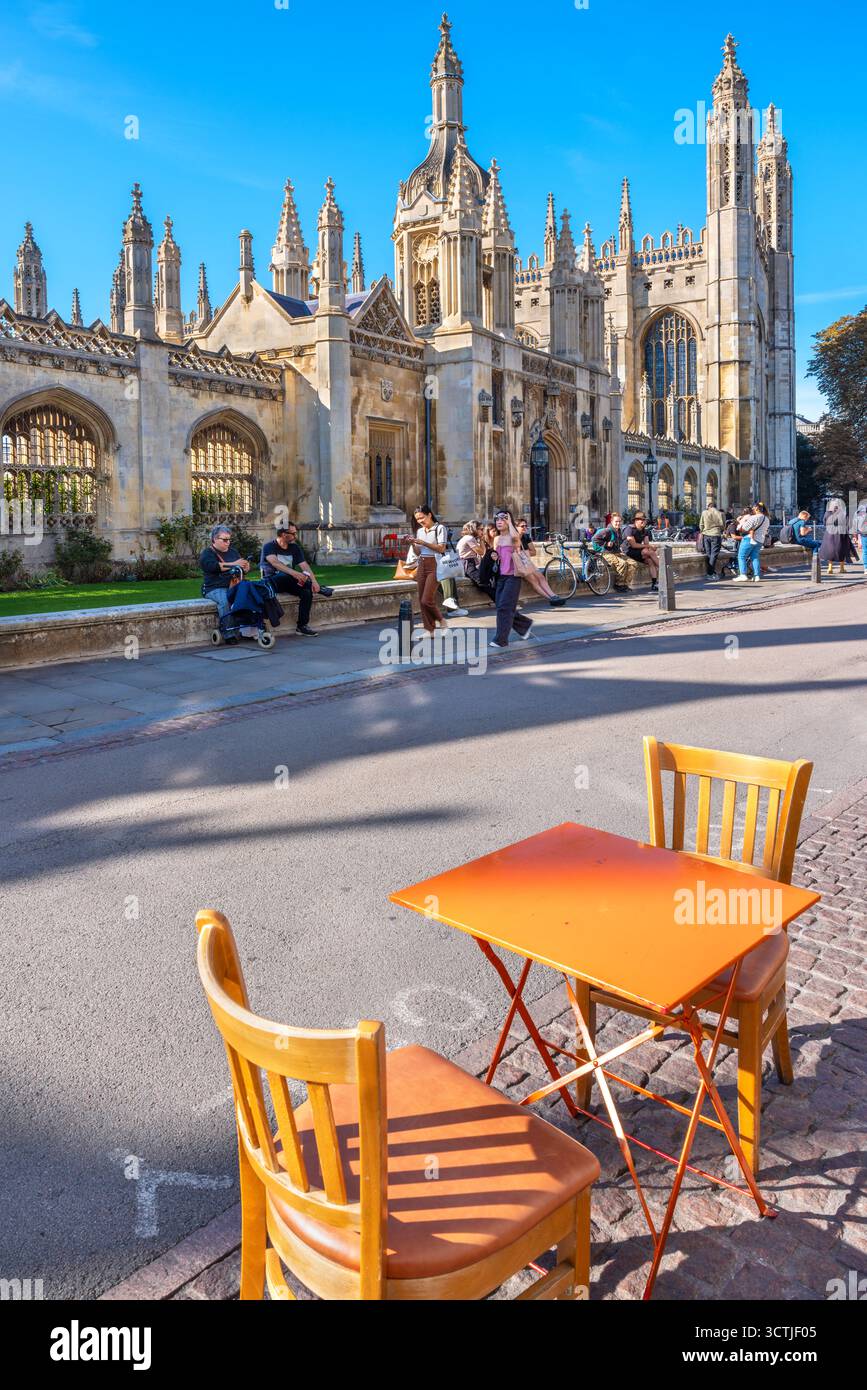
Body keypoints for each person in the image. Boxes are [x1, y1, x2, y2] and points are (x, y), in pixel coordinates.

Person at [260, 524, 333, 636]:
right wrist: (296, 574)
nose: (295, 536)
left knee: (306, 592)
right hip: (272, 582)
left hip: (289, 581)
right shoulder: (269, 546)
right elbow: (275, 563)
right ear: (284, 534)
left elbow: (304, 566)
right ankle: (321, 590)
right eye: (293, 533)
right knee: (285, 574)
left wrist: (314, 582)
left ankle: (302, 626)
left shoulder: (294, 548)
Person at [199, 525, 254, 641]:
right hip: (213, 588)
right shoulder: (207, 553)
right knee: (225, 601)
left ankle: (248, 630)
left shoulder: (233, 552)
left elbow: (240, 569)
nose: (228, 542)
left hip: (234, 584)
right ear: (214, 539)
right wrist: (235, 564)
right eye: (224, 540)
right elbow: (213, 566)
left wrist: (245, 567)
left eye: (229, 539)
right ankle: (229, 634)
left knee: (251, 595)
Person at [490, 508, 534, 648]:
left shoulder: (513, 537)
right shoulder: (496, 539)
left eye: (503, 518)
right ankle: (525, 624)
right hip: (501, 577)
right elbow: (497, 558)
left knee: (504, 608)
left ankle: (500, 640)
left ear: (509, 520)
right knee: (502, 606)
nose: (499, 521)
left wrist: (511, 523)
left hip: (513, 576)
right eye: (497, 519)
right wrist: (494, 556)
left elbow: (516, 541)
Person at [403, 505, 448, 635]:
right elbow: (418, 552)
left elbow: (441, 549)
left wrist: (423, 543)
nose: (420, 521)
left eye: (422, 517)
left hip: (435, 564)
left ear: (429, 515)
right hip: (422, 564)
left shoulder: (440, 528)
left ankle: (441, 620)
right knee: (421, 599)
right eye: (417, 519)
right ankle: (429, 630)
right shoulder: (420, 531)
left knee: (426, 599)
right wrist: (412, 543)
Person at [515, 518, 566, 604]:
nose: (525, 528)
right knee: (533, 580)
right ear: (515, 527)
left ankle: (553, 595)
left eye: (526, 526)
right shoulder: (513, 539)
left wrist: (525, 552)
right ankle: (550, 599)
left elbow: (534, 552)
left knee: (541, 577)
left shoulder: (526, 537)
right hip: (519, 564)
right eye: (522, 526)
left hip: (527, 562)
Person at [457, 521, 497, 602]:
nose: (482, 531)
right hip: (468, 564)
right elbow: (481, 552)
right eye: (481, 529)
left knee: (488, 577)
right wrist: (482, 540)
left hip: (469, 563)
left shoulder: (468, 538)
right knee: (482, 582)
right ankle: (502, 602)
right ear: (475, 529)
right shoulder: (469, 538)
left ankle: (501, 602)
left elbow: (482, 553)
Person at [591, 513, 631, 588]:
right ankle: (619, 585)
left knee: (632, 563)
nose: (618, 523)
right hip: (606, 553)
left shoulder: (619, 531)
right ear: (612, 521)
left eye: (619, 521)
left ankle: (625, 584)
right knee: (622, 564)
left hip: (616, 552)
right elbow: (594, 538)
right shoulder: (607, 531)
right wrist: (606, 544)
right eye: (616, 521)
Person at [621, 512, 659, 591]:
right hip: (628, 551)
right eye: (642, 520)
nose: (644, 522)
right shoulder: (630, 529)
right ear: (636, 521)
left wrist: (651, 547)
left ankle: (654, 583)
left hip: (638, 552)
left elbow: (646, 544)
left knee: (650, 561)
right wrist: (649, 547)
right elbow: (633, 545)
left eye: (645, 520)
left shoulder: (645, 531)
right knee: (648, 552)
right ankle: (664, 568)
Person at [819, 497, 856, 575]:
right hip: (841, 533)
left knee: (830, 550)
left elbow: (824, 523)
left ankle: (830, 568)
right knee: (842, 550)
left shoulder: (827, 513)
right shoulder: (843, 513)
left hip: (829, 533)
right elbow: (848, 524)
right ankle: (842, 568)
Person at [732, 504, 768, 583]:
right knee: (755, 557)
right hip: (760, 540)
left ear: (756, 508)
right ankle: (757, 576)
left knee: (741, 556)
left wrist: (739, 522)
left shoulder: (754, 517)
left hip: (749, 539)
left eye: (753, 508)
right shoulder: (766, 518)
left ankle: (743, 575)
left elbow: (744, 528)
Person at [698, 499, 725, 579]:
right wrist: (720, 531)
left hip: (706, 534)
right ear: (715, 507)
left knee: (709, 553)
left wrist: (703, 531)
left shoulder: (704, 512)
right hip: (716, 534)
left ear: (708, 506)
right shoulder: (720, 513)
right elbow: (723, 525)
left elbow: (701, 525)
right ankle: (710, 573)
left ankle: (711, 572)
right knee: (714, 554)